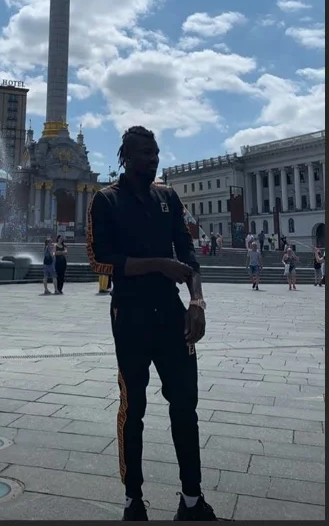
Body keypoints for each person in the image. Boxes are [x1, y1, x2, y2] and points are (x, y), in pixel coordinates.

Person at [87, 126, 217, 522]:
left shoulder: (168, 197)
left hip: (172, 313)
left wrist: (196, 300)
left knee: (185, 404)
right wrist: (159, 264)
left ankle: (192, 500)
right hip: (130, 315)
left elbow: (188, 253)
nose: (153, 159)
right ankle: (133, 501)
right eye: (145, 153)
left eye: (156, 152)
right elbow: (99, 261)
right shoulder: (106, 200)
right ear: (126, 156)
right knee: (134, 407)